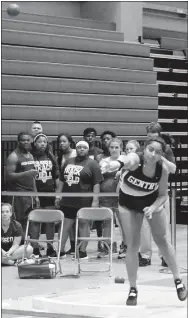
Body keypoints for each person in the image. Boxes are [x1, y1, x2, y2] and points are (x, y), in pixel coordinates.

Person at [102, 136, 187, 305]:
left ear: (162, 154)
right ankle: (133, 289)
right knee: (133, 245)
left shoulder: (162, 168)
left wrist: (153, 208)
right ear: (144, 149)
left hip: (151, 203)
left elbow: (163, 195)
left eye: (158, 152)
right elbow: (126, 160)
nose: (153, 154)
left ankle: (178, 280)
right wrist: (115, 164)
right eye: (150, 150)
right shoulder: (136, 160)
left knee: (161, 240)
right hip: (128, 205)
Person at [55, 140, 103, 259]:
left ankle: (82, 251)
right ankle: (60, 251)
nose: (81, 149)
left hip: (84, 201)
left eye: (84, 148)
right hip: (67, 201)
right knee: (65, 225)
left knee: (83, 225)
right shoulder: (68, 162)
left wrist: (95, 201)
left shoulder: (93, 164)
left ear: (87, 150)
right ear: (76, 149)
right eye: (79, 147)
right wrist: (58, 195)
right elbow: (61, 180)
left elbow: (96, 184)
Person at [139, 122, 176, 267]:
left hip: (160, 192)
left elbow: (173, 169)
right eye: (149, 137)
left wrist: (161, 158)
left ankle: (165, 256)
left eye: (154, 137)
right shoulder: (143, 149)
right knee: (143, 226)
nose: (151, 140)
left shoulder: (166, 149)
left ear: (159, 135)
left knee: (162, 227)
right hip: (143, 192)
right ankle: (145, 256)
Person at [30, 133, 59, 257]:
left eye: (45, 142)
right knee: (35, 221)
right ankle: (35, 248)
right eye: (40, 141)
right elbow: (30, 178)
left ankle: (50, 247)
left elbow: (56, 176)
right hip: (36, 192)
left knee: (50, 221)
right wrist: (35, 195)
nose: (42, 143)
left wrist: (58, 193)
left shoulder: (51, 156)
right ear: (35, 143)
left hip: (49, 192)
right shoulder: (30, 157)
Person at [5, 132, 38, 230]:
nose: (26, 142)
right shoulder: (13, 156)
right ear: (18, 141)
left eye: (28, 140)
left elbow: (32, 177)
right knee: (17, 222)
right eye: (23, 140)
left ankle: (29, 244)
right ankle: (18, 243)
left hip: (30, 194)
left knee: (30, 221)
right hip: (18, 194)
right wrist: (26, 174)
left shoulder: (30, 155)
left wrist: (36, 195)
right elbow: (8, 176)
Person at [97, 138, 124, 258]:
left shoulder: (125, 160)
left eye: (116, 147)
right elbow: (99, 175)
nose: (114, 149)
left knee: (123, 223)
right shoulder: (103, 161)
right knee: (107, 222)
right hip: (106, 195)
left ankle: (125, 246)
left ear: (121, 148)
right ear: (108, 148)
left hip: (122, 195)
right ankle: (108, 246)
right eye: (112, 147)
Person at [83, 128, 104, 251]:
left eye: (92, 135)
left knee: (99, 217)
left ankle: (101, 241)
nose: (90, 138)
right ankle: (82, 244)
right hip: (84, 187)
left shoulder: (99, 152)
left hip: (97, 185)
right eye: (87, 135)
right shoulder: (80, 150)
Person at [57, 133, 76, 255]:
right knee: (68, 221)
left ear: (70, 142)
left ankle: (76, 246)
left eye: (64, 141)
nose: (62, 143)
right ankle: (71, 246)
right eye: (60, 141)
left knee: (75, 221)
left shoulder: (76, 152)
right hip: (66, 190)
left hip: (77, 190)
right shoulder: (60, 156)